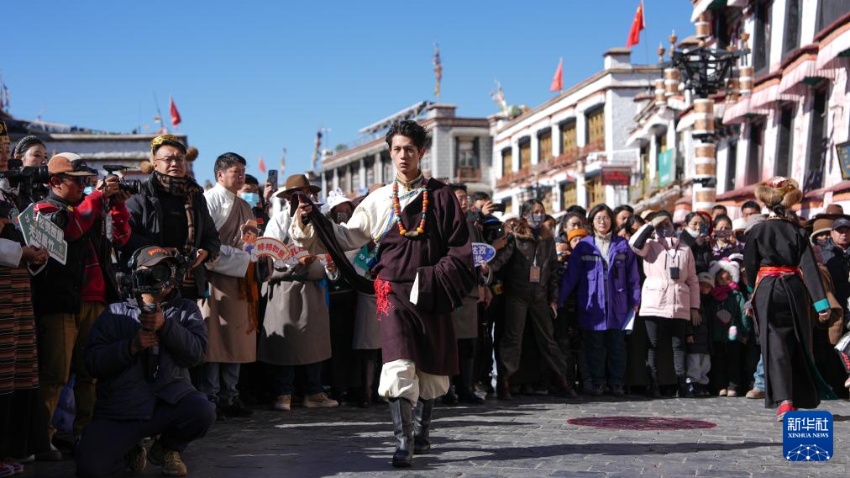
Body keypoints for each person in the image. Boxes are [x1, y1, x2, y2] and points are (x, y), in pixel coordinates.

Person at [290, 120, 475, 468]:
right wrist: (309, 217)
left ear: (421, 152)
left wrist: (435, 278)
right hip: (390, 291)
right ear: (390, 153)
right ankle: (403, 442)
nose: (403, 155)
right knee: (398, 361)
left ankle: (422, 433)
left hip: (430, 289)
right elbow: (347, 237)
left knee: (431, 367)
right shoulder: (378, 200)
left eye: (409, 149)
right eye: (397, 149)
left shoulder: (441, 196)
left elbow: (459, 248)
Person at [75, 246, 215, 477]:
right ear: (136, 273)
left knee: (202, 410)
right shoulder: (114, 313)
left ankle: (167, 449)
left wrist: (166, 326)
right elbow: (92, 363)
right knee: (91, 467)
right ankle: (130, 449)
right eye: (155, 269)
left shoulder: (185, 309)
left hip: (168, 402)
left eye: (167, 269)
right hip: (121, 411)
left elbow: (197, 355)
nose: (163, 277)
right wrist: (130, 347)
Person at [31, 153, 131, 449]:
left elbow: (122, 239)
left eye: (87, 181)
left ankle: (86, 434)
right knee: (55, 375)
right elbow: (68, 230)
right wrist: (99, 196)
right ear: (55, 182)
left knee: (91, 373)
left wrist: (118, 204)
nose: (84, 186)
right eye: (77, 181)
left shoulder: (91, 207)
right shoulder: (43, 209)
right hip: (61, 301)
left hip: (95, 299)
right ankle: (41, 441)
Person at [744, 177, 833, 421]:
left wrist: (753, 294)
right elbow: (809, 268)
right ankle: (797, 396)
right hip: (793, 289)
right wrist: (821, 303)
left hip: (766, 291)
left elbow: (750, 268)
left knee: (774, 346)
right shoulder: (797, 231)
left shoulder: (756, 231)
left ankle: (785, 401)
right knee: (798, 342)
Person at [259, 175, 339, 411]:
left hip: (313, 287)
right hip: (286, 287)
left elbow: (329, 251)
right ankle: (284, 392)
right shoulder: (279, 220)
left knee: (314, 341)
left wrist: (329, 266)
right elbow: (270, 252)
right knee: (287, 343)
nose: (302, 200)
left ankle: (314, 391)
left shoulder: (321, 221)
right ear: (288, 199)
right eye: (296, 196)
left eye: (305, 194)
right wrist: (296, 260)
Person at [489, 198, 577, 400]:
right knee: (513, 339)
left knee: (548, 339)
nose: (538, 215)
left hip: (539, 296)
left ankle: (562, 380)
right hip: (517, 295)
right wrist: (487, 268)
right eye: (535, 211)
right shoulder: (515, 237)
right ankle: (505, 381)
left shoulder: (547, 240)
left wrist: (553, 298)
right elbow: (500, 261)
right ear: (525, 215)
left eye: (541, 211)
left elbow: (553, 271)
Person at [0, 141, 51, 472]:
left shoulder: (9, 192)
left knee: (17, 368)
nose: (3, 155)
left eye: (4, 148)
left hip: (17, 288)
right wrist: (20, 252)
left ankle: (13, 446)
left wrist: (36, 251)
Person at [123, 135, 220, 301]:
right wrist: (158, 252)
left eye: (180, 159)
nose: (175, 164)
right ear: (155, 162)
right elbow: (126, 236)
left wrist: (206, 251)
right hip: (152, 281)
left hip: (188, 282)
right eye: (168, 159)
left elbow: (211, 236)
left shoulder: (195, 196)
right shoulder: (140, 194)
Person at [198, 152, 258, 419]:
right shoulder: (209, 201)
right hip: (217, 278)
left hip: (241, 280)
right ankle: (209, 397)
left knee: (237, 338)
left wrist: (253, 256)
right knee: (215, 339)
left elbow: (250, 241)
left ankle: (230, 395)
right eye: (236, 171)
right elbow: (204, 244)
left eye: (243, 170)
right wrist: (242, 258)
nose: (241, 175)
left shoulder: (244, 205)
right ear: (220, 175)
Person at [558, 204, 641, 397]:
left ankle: (616, 383)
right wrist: (559, 298)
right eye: (598, 218)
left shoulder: (622, 245)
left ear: (611, 220)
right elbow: (571, 276)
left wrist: (635, 299)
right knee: (594, 346)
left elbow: (632, 276)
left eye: (606, 218)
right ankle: (598, 383)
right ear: (592, 222)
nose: (602, 221)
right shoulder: (584, 246)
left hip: (617, 303)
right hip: (592, 303)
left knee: (616, 346)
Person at [629, 211, 701, 398]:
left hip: (679, 302)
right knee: (653, 344)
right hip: (654, 301)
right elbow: (634, 244)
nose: (663, 228)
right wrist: (651, 225)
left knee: (678, 345)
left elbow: (692, 279)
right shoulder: (650, 246)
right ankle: (653, 384)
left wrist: (694, 306)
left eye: (666, 223)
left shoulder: (685, 249)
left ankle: (681, 384)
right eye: (660, 225)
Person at [445, 183, 488, 405]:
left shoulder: (473, 225)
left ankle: (465, 388)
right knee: (448, 343)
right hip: (449, 291)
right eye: (459, 197)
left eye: (465, 198)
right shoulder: (441, 223)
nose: (463, 202)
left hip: (469, 292)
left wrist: (484, 278)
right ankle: (446, 390)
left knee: (468, 344)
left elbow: (482, 255)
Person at [707, 260, 749, 397]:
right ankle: (720, 386)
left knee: (733, 361)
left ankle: (733, 386)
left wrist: (744, 331)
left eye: (727, 279)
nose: (723, 282)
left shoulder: (736, 294)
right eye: (720, 279)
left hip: (733, 333)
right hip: (717, 333)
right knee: (718, 361)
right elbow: (709, 315)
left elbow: (743, 313)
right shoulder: (712, 296)